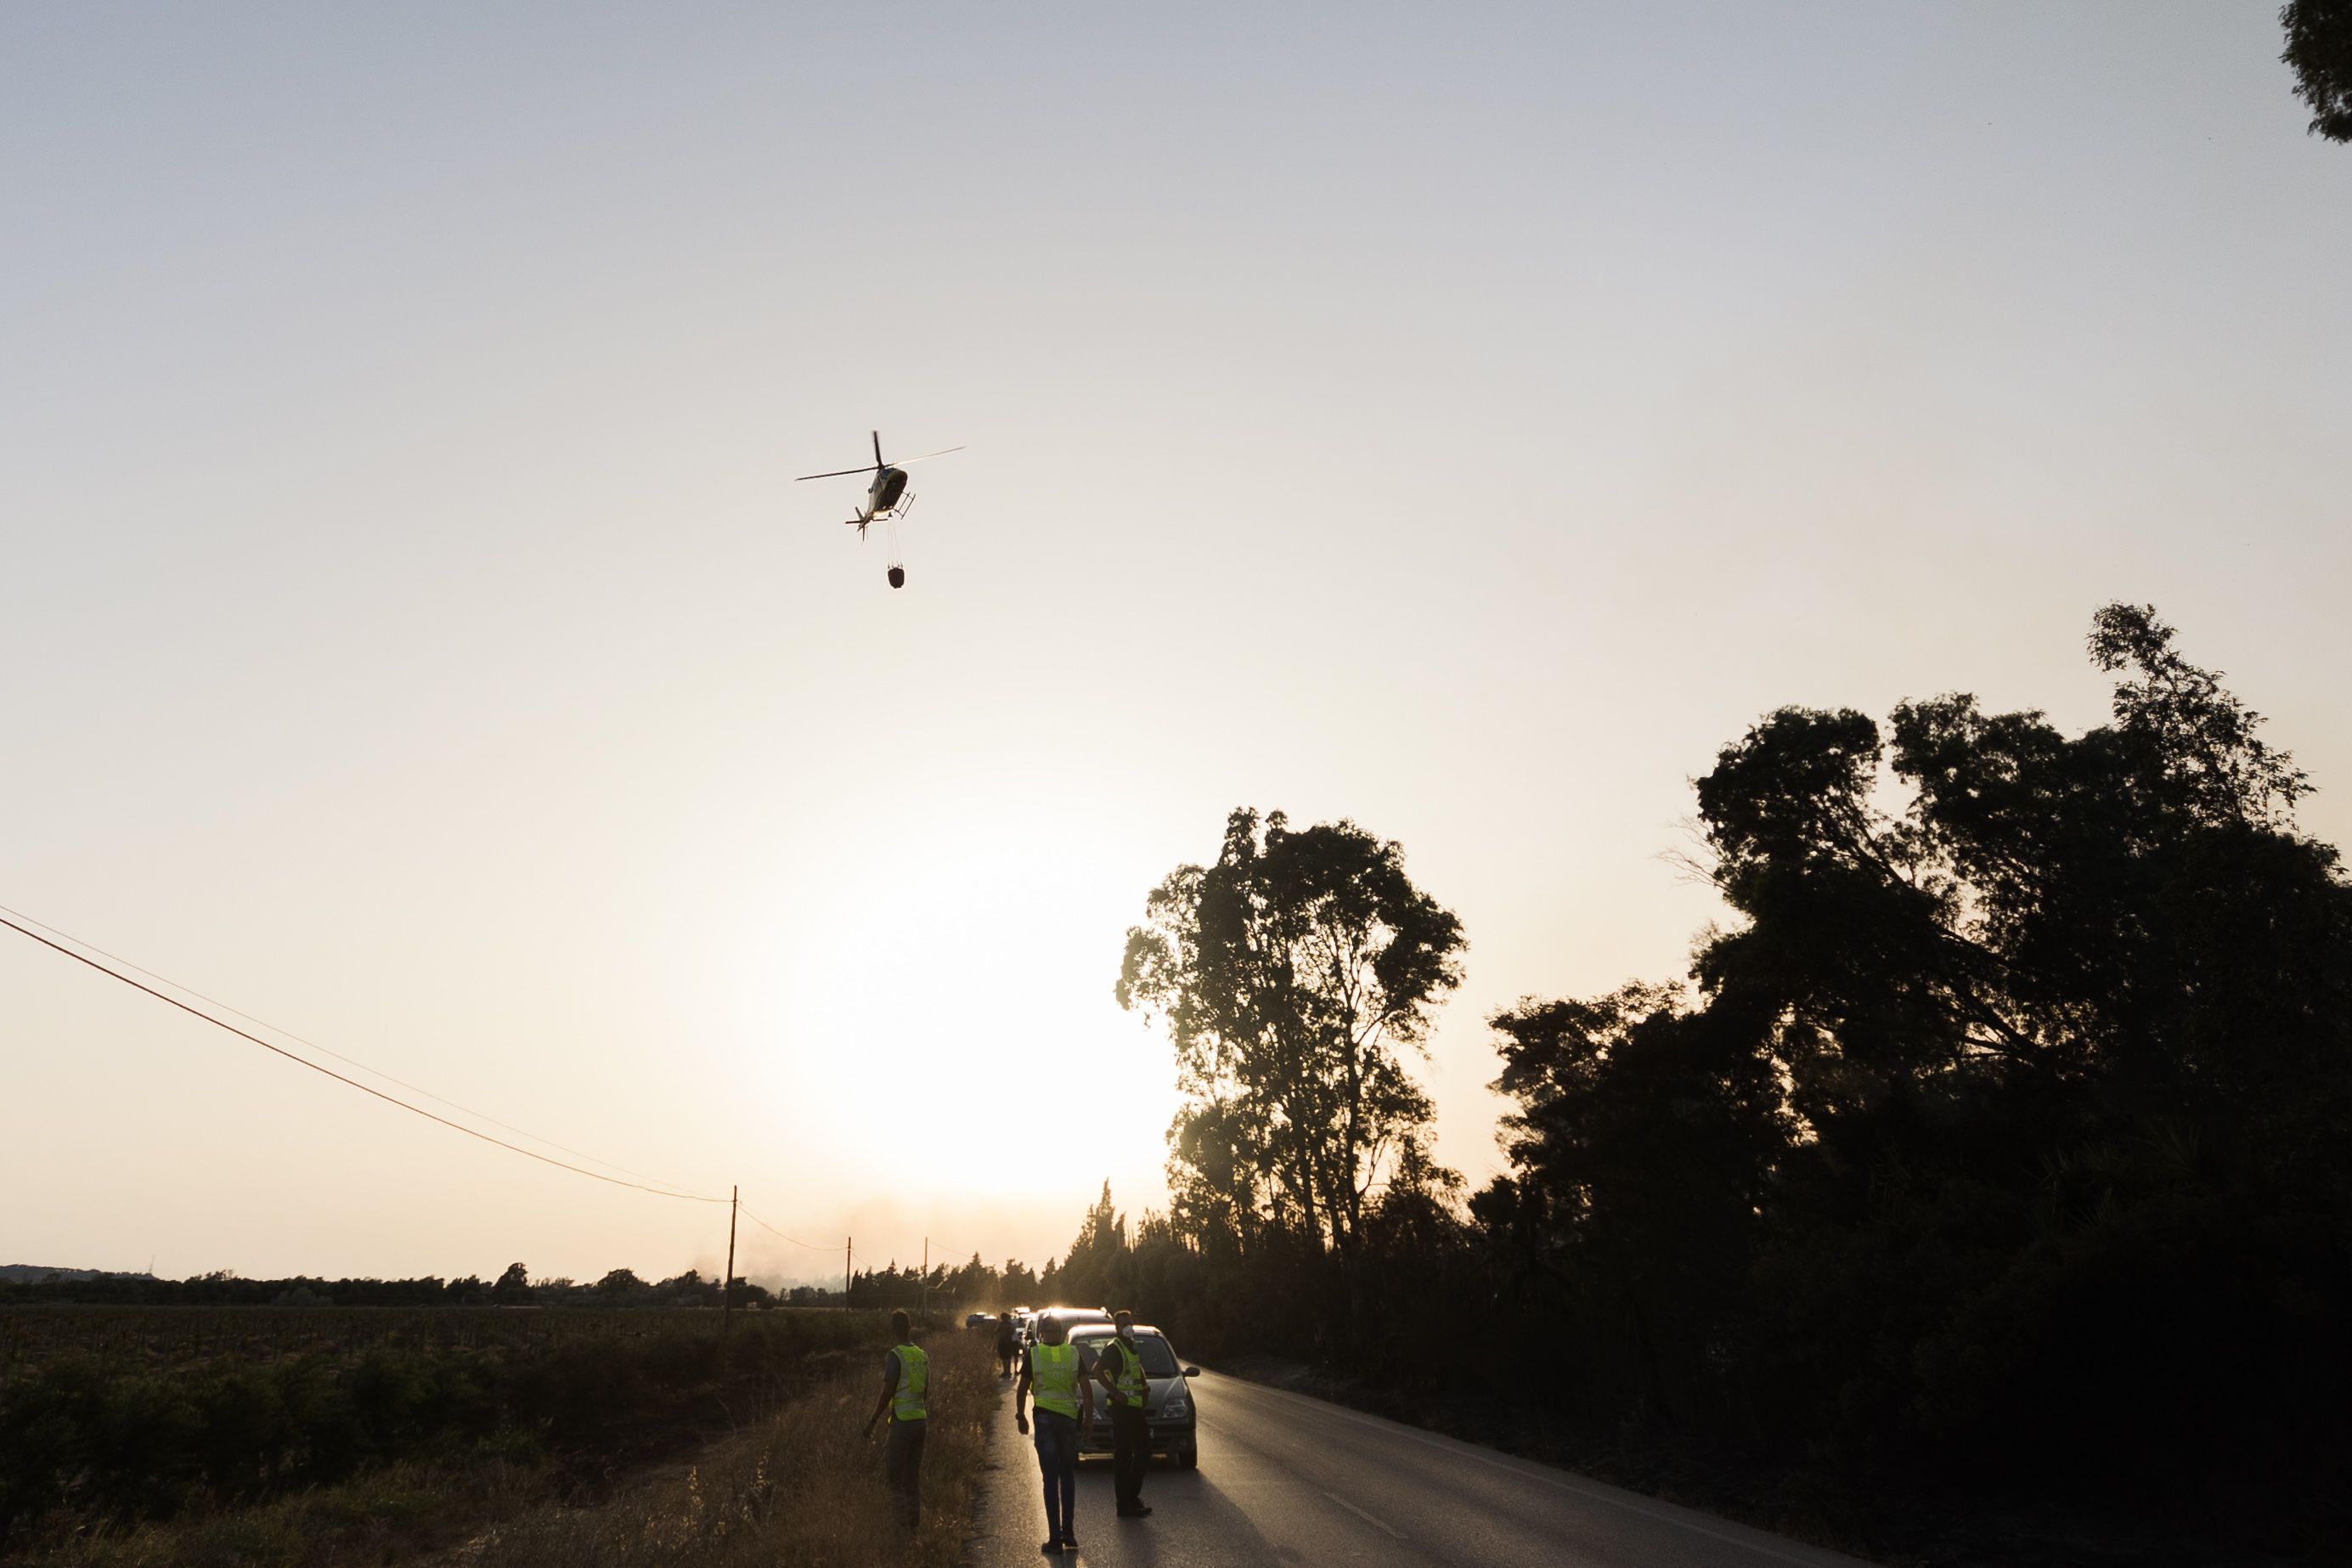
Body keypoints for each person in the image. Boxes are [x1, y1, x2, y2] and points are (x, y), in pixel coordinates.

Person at [1014, 1312, 1092, 1555]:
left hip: (1045, 1420)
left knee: (1050, 1479)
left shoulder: (1035, 1354)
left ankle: (1055, 1540)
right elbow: (1086, 1387)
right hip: (1068, 1420)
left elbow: (1022, 1389)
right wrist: (1088, 1419)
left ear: (1042, 1333)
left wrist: (1021, 1416)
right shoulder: (1073, 1353)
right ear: (1061, 1332)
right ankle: (1069, 1533)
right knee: (1067, 1475)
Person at [863, 1309, 928, 1531]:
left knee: (893, 1476)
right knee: (912, 1478)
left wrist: (872, 1421)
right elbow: (925, 1392)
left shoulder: (895, 1355)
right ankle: (913, 1524)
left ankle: (900, 1527)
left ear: (892, 1329)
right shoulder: (922, 1355)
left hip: (903, 1423)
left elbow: (887, 1391)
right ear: (910, 1328)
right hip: (921, 1421)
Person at [1092, 1309, 1154, 1518]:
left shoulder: (1130, 1346)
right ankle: (1125, 1504)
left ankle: (1131, 1496)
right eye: (1125, 1323)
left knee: (1144, 1450)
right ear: (1117, 1327)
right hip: (1122, 1409)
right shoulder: (1114, 1348)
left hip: (1134, 1407)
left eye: (1130, 1322)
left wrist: (1145, 1388)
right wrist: (1116, 1393)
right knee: (1124, 1456)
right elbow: (1098, 1371)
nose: (1129, 1326)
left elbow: (1136, 1370)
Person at [996, 1311, 1018, 1379]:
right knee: (1007, 1358)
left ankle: (1006, 1372)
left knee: (1004, 1358)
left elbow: (996, 1331)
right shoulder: (1011, 1324)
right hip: (1008, 1342)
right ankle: (1008, 1372)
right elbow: (1013, 1332)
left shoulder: (1001, 1324)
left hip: (1003, 1342)